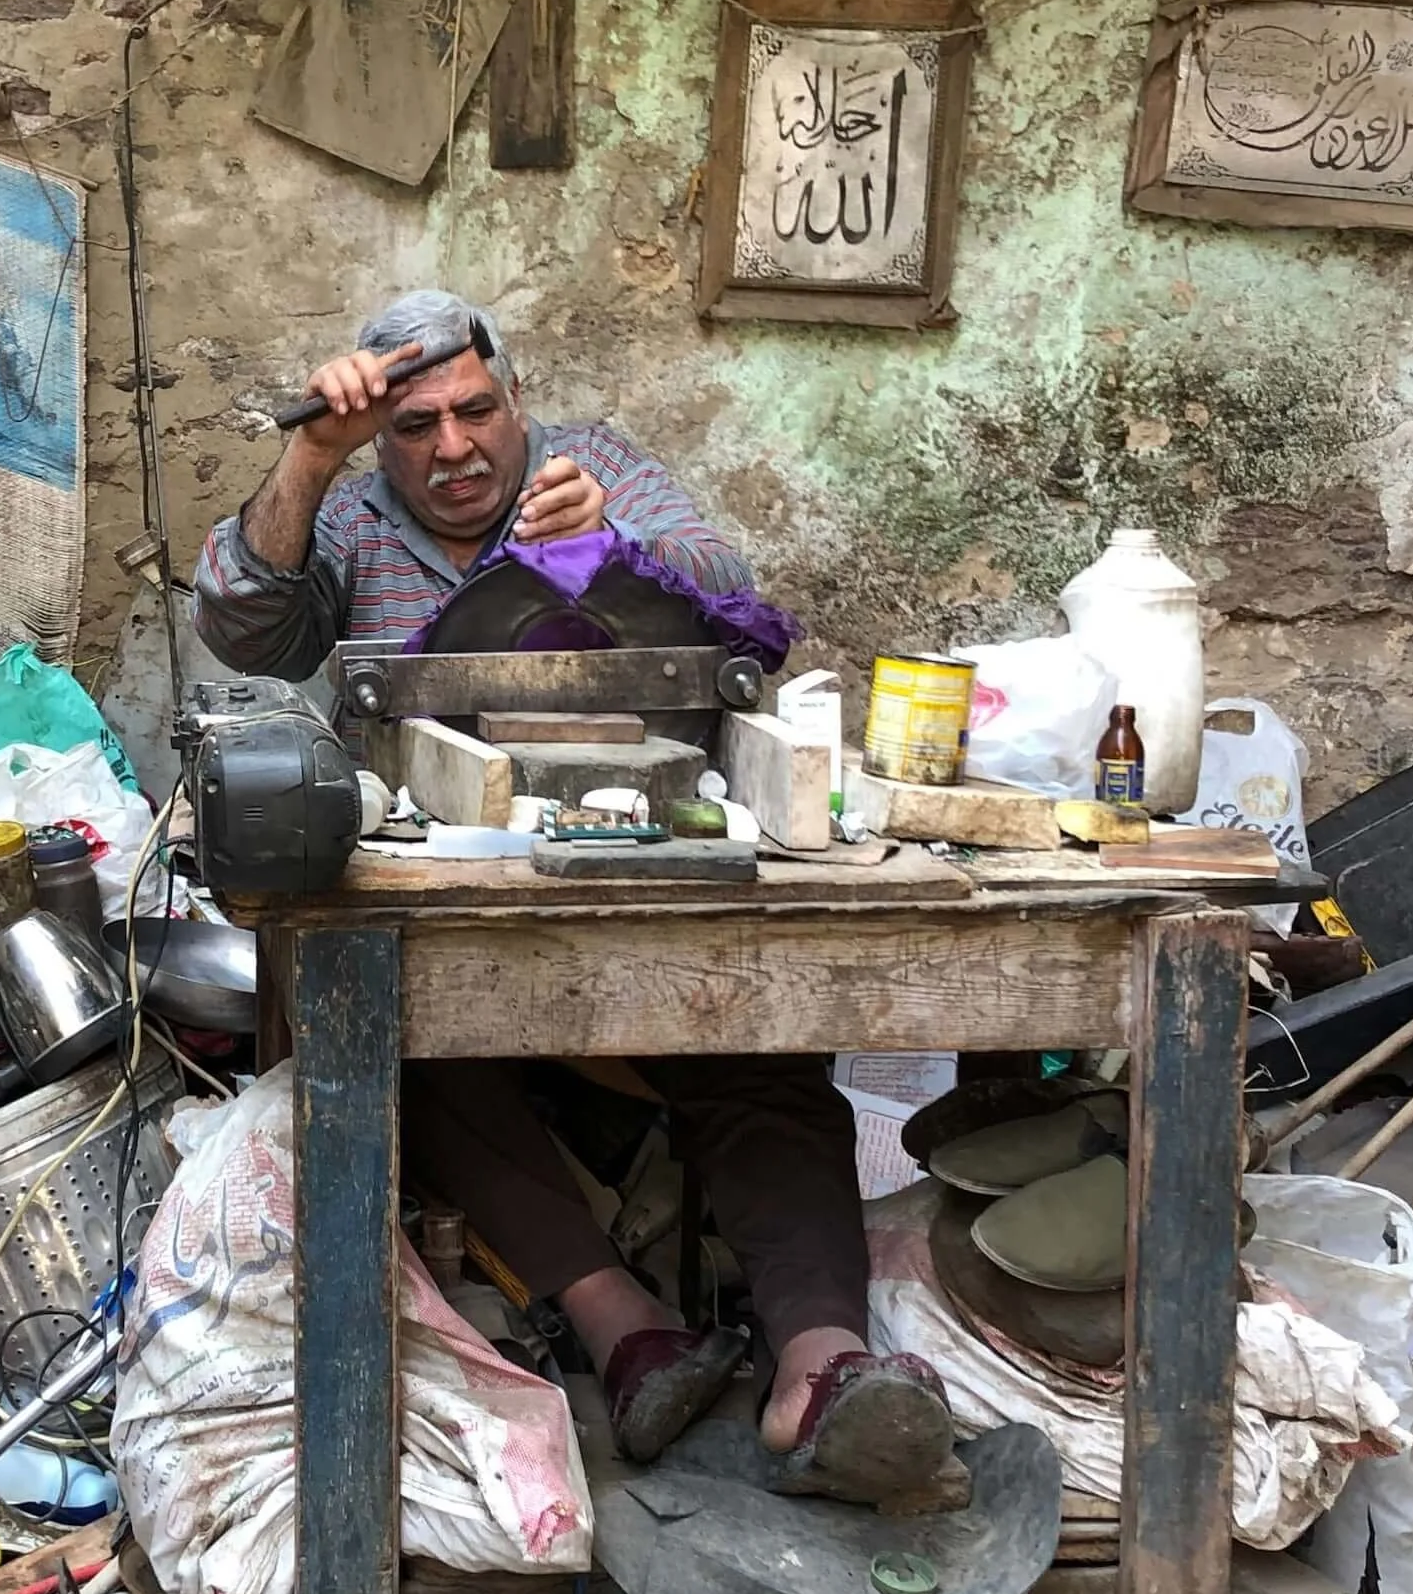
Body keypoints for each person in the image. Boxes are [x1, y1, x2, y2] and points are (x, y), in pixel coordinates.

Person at [192, 289, 956, 1507]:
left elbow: (729, 584)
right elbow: (240, 624)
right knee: (399, 1050)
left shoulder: (591, 465)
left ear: (514, 397)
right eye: (416, 427)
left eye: (475, 411)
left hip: (632, 859)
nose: (453, 448)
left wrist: (617, 543)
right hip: (449, 887)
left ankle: (824, 1370)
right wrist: (309, 452)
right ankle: (630, 1333)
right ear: (382, 441)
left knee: (756, 1045)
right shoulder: (345, 520)